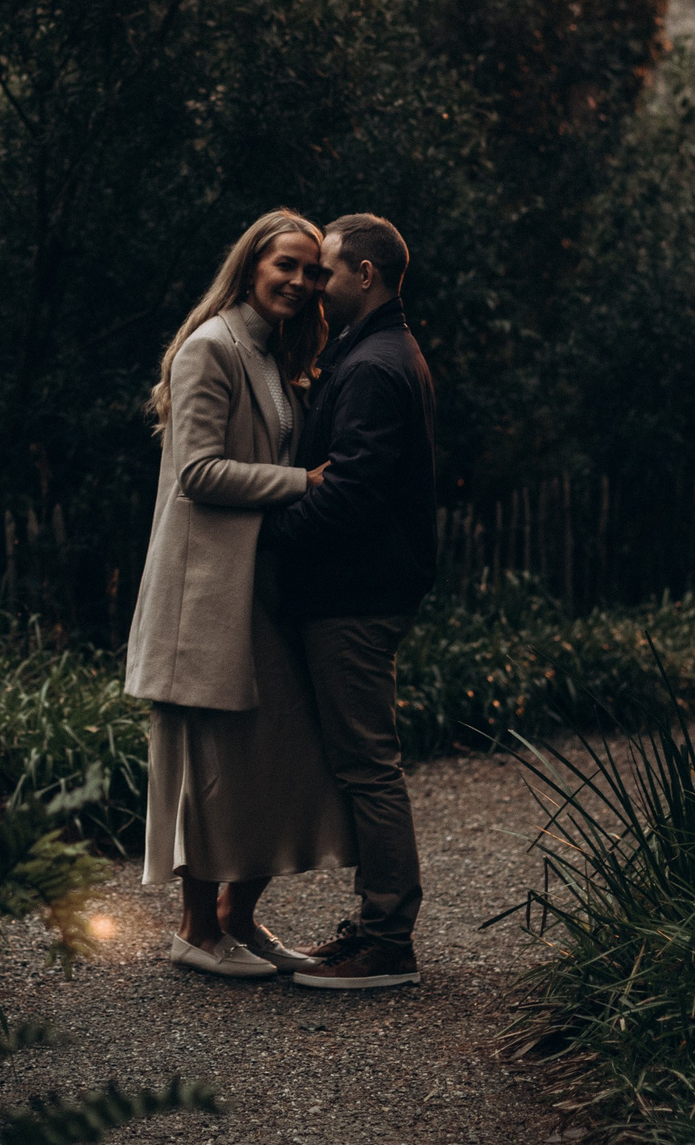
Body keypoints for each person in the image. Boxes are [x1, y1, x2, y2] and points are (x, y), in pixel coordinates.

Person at [123, 209, 357, 980]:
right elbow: (198, 471)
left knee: (287, 752)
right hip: (204, 594)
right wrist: (305, 483)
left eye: (310, 270)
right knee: (216, 760)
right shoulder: (210, 347)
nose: (297, 280)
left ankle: (238, 916)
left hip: (257, 586)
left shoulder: (273, 351)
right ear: (251, 264)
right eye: (284, 264)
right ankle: (195, 929)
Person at [259, 212, 437, 991]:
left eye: (326, 271)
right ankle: (373, 926)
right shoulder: (375, 350)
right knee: (363, 761)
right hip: (359, 588)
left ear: (364, 274)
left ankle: (388, 939)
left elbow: (355, 493)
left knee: (368, 764)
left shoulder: (372, 364)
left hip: (355, 594)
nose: (314, 285)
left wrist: (266, 533)